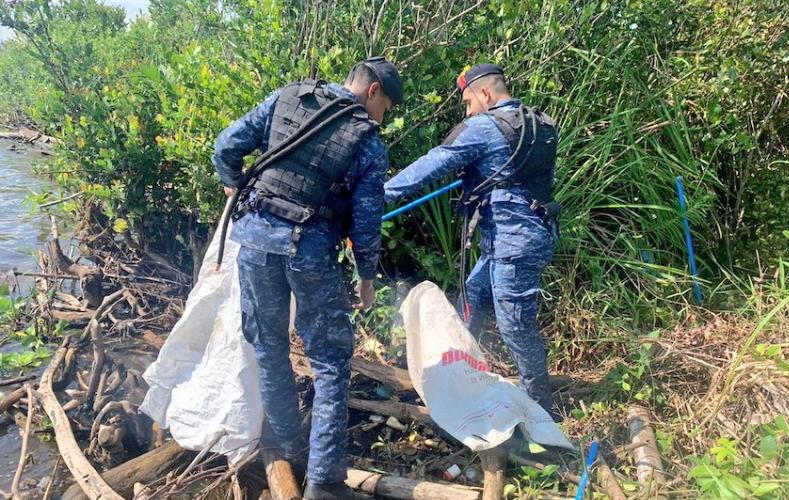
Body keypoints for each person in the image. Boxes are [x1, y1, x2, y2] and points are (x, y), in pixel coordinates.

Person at [212, 57, 403, 500]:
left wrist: (232, 183)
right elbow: (366, 221)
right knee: (331, 360)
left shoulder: (288, 97)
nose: (382, 117)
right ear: (372, 92)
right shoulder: (368, 140)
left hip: (255, 243)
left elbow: (226, 145)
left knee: (269, 347)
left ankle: (287, 447)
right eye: (386, 107)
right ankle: (325, 482)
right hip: (309, 250)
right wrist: (367, 278)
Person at [384, 63, 562, 420]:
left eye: (467, 102)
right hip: (527, 235)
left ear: (484, 94)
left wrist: (379, 195)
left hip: (514, 244)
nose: (467, 110)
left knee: (515, 325)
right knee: (474, 294)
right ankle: (462, 373)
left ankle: (540, 408)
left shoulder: (484, 127)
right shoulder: (541, 124)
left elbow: (433, 164)